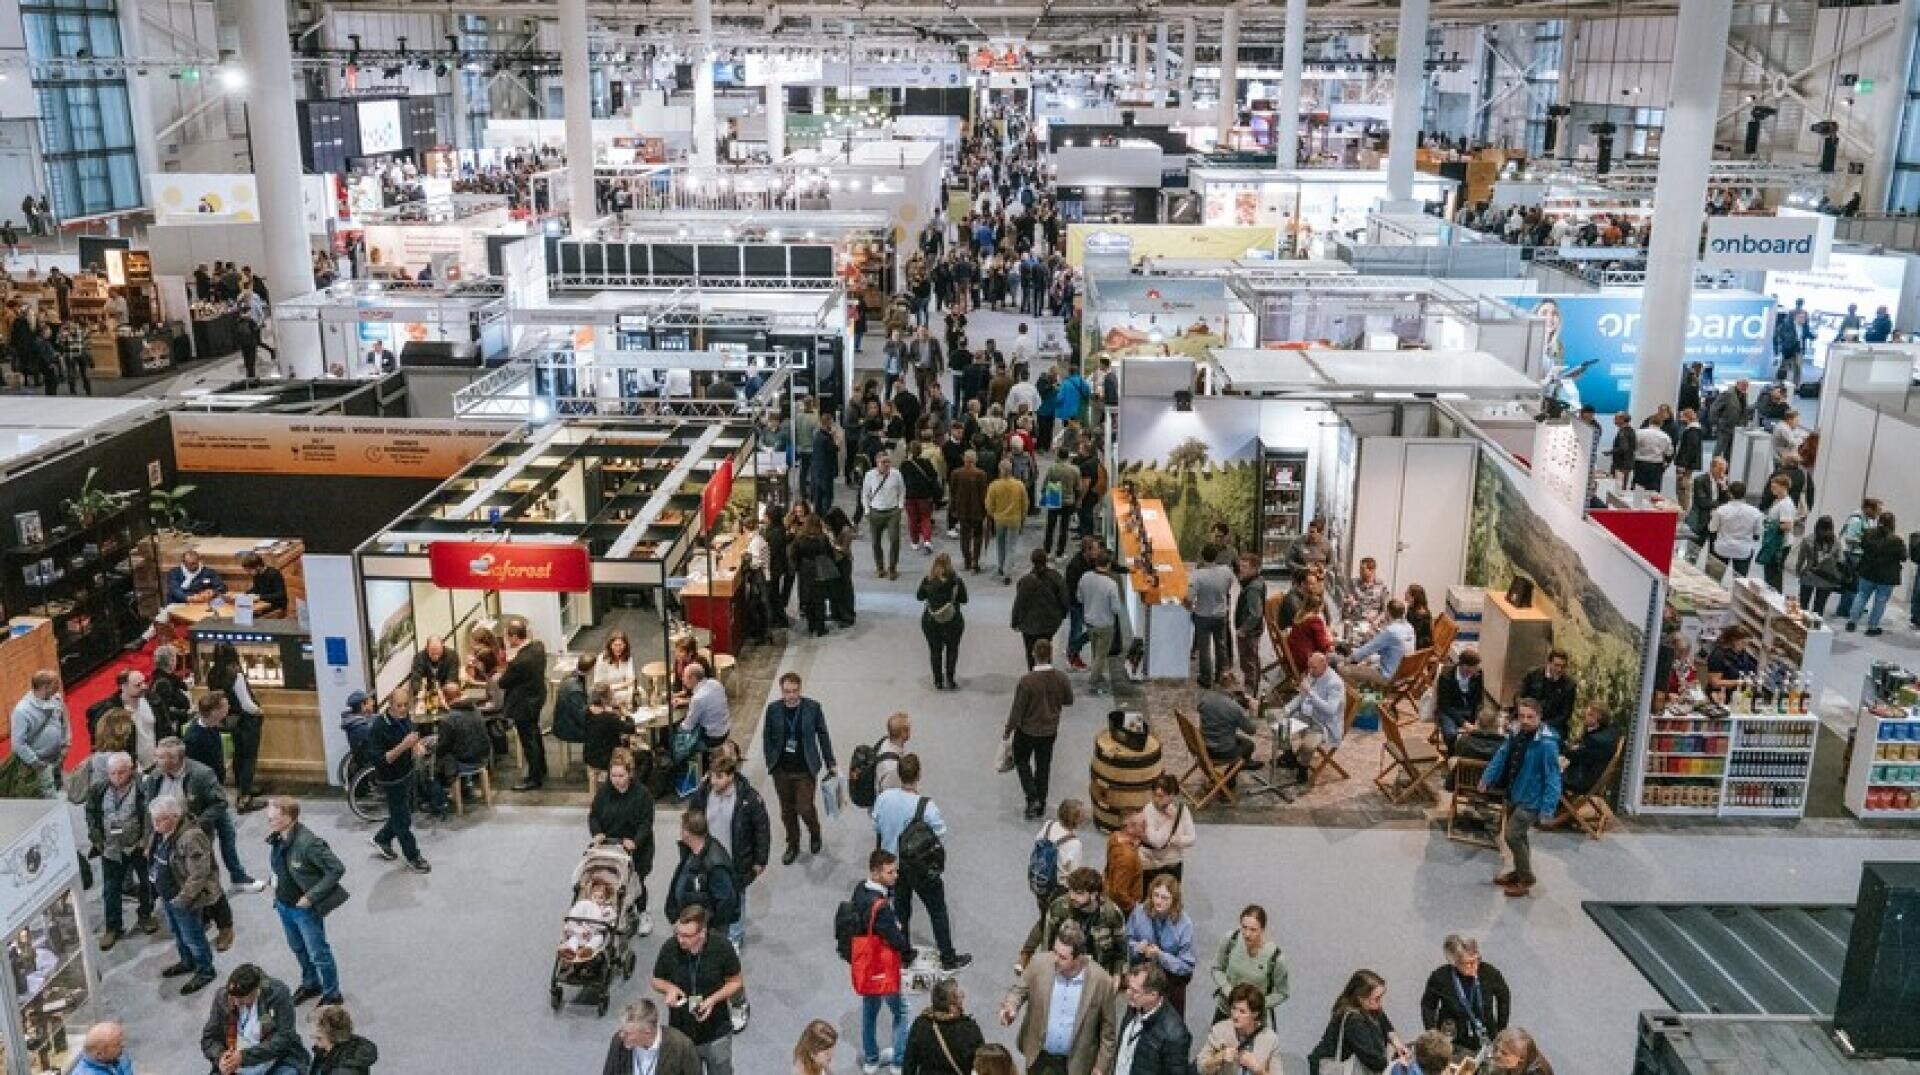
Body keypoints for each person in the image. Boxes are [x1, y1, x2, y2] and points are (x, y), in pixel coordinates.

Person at [873, 754, 971, 969]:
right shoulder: (927, 807)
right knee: (937, 910)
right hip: (920, 868)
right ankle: (948, 957)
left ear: (899, 774)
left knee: (901, 910)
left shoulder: (884, 798)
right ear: (919, 775)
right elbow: (940, 834)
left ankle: (904, 953)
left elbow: (877, 826)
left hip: (894, 867)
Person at [146, 735, 262, 903]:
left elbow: (220, 802)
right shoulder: (155, 777)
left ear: (178, 757)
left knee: (201, 872)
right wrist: (149, 837)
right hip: (165, 831)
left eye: (165, 757)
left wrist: (197, 824)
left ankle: (213, 906)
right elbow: (149, 807)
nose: (159, 762)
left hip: (193, 831)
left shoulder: (202, 774)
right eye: (158, 756)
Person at [1000, 920, 1120, 1075]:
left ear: (1078, 958)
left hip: (1075, 1064)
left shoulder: (1102, 982)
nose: (1055, 959)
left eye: (1062, 957)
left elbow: (1108, 1033)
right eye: (1054, 952)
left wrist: (1100, 1068)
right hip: (1039, 1056)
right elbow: (1019, 991)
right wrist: (1011, 1007)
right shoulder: (1039, 963)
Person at [265, 797, 347, 1005]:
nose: (269, 822)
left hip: (304, 910)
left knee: (318, 953)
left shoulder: (308, 843)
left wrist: (311, 897)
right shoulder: (277, 838)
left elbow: (336, 868)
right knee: (298, 948)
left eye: (273, 818)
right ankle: (311, 984)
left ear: (288, 817)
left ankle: (332, 994)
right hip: (284, 905)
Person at [687, 752, 770, 953]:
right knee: (705, 894)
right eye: (712, 775)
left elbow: (762, 829)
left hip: (736, 860)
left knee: (735, 899)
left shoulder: (748, 799)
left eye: (719, 777)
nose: (714, 781)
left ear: (731, 776)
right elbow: (692, 818)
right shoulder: (704, 792)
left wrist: (760, 861)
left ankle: (735, 936)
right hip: (707, 858)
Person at [1480, 699, 1563, 899]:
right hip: (1514, 792)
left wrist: (1548, 809)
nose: (1525, 720)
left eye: (1530, 717)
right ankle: (1518, 872)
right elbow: (1501, 755)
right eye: (1522, 716)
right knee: (1520, 836)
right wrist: (1487, 777)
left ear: (1539, 717)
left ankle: (1526, 878)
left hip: (1532, 799)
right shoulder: (1517, 732)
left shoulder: (1547, 744)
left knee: (1512, 835)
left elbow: (1553, 777)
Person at [651, 905, 745, 1075]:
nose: (680, 939)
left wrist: (713, 1000)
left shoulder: (722, 947)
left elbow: (736, 982)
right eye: (677, 933)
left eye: (686, 936)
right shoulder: (670, 948)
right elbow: (656, 980)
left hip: (717, 1031)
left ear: (702, 933)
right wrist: (669, 988)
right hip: (682, 1031)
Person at [762, 672, 837, 864]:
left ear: (800, 689)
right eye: (787, 691)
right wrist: (771, 762)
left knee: (804, 807)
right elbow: (767, 737)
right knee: (787, 811)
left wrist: (831, 762)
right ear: (782, 691)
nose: (791, 696)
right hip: (782, 771)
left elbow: (823, 735)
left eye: (795, 691)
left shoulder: (813, 708)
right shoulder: (773, 710)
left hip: (805, 769)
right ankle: (793, 844)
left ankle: (815, 832)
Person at [150, 793, 220, 994]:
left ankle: (205, 970)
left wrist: (183, 899)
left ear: (174, 817)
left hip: (185, 899)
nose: (155, 824)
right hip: (168, 895)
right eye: (153, 820)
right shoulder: (162, 832)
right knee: (179, 934)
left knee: (193, 937)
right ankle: (187, 961)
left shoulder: (191, 837)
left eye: (159, 820)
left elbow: (199, 874)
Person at [87, 753, 155, 949]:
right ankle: (113, 927)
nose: (117, 777)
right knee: (110, 890)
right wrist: (97, 839)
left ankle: (145, 915)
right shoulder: (98, 790)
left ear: (131, 769)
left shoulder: (143, 787)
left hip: (137, 846)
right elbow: (91, 814)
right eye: (113, 773)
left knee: (146, 884)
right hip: (111, 848)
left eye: (121, 772)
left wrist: (146, 841)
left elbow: (149, 816)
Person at [1006, 638, 1074, 819]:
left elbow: (1017, 710)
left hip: (1027, 731)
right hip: (1049, 731)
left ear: (1033, 654)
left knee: (1021, 761)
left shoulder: (1026, 681)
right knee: (1043, 767)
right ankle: (1041, 805)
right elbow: (1069, 700)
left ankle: (1032, 797)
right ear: (1051, 655)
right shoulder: (1061, 678)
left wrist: (1007, 731)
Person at [366, 687, 432, 874]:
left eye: (406, 705)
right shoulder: (379, 728)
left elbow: (411, 735)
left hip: (406, 773)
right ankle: (413, 856)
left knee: (404, 812)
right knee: (403, 821)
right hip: (391, 779)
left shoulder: (404, 718)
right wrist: (404, 746)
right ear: (389, 705)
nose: (403, 709)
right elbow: (381, 760)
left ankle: (382, 838)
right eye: (399, 706)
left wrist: (417, 745)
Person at [200, 964, 310, 1074]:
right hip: (235, 1061)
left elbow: (285, 1037)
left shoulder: (277, 994)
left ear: (257, 991)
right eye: (232, 997)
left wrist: (243, 1057)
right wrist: (220, 1056)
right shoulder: (222, 997)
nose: (236, 1003)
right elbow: (209, 1038)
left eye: (242, 999)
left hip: (274, 1059)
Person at [1419, 935, 1511, 1057]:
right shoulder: (1439, 978)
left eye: (1477, 959)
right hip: (1453, 1035)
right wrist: (1432, 1034)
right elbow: (1428, 1005)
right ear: (1454, 962)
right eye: (1468, 963)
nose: (1475, 966)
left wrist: (1501, 1030)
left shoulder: (1489, 973)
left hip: (1485, 1032)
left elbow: (1504, 996)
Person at [663, 808, 740, 947]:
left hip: (704, 932)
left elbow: (725, 903)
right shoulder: (691, 850)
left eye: (682, 828)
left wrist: (704, 928)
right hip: (689, 921)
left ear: (687, 833)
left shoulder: (715, 865)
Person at [1308, 970, 1409, 1074]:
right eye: (1377, 998)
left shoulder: (1370, 1007)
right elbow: (1374, 1060)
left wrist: (1398, 1045)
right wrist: (1396, 1064)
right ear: (1360, 998)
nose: (1380, 1002)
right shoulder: (1353, 1021)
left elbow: (1386, 1026)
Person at [1124, 875, 1197, 1016]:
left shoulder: (1184, 924)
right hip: (1143, 977)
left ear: (1174, 900)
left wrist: (1161, 956)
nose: (1158, 901)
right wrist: (1138, 948)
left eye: (1164, 898)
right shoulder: (1139, 912)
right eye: (1156, 895)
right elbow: (1127, 940)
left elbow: (1186, 966)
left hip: (1170, 981)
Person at [207, 642, 265, 811]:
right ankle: (244, 798)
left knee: (238, 754)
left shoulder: (212, 674)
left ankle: (242, 786)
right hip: (246, 721)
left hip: (230, 720)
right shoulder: (235, 674)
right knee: (249, 758)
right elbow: (246, 703)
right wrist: (259, 711)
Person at [497, 618, 549, 790]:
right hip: (537, 698)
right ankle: (541, 768)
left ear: (513, 637)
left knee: (528, 740)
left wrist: (509, 662)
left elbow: (503, 683)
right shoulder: (538, 647)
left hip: (523, 705)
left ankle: (534, 778)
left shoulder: (519, 662)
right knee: (535, 733)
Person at [1114, 963, 1192, 1074]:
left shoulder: (1175, 1034)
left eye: (1135, 991)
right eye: (1128, 987)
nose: (1127, 993)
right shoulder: (1134, 1006)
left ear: (1153, 995)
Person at [901, 976, 986, 1075]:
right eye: (959, 995)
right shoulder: (969, 1029)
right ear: (952, 1007)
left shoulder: (920, 1024)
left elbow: (909, 1062)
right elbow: (982, 1062)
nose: (963, 995)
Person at [1198, 983, 1284, 1075]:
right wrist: (1220, 1057)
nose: (1235, 1015)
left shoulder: (1270, 1039)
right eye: (1234, 1008)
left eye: (1242, 1012)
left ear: (1255, 1014)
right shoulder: (1220, 1030)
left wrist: (1258, 1069)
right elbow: (1201, 1068)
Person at [9, 670, 68, 799]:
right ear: (44, 687)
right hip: (40, 764)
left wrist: (66, 744)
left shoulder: (56, 699)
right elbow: (18, 743)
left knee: (58, 785)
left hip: (57, 757)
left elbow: (64, 722)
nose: (58, 686)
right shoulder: (22, 711)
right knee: (49, 797)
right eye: (55, 684)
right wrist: (35, 762)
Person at [916, 553, 970, 691]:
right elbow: (964, 600)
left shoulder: (927, 580)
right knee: (952, 650)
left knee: (935, 650)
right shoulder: (956, 582)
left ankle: (938, 681)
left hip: (931, 621)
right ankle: (950, 679)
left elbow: (919, 597)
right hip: (953, 622)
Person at [1847, 511, 1906, 635]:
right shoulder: (1897, 540)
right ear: (1892, 524)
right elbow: (1903, 557)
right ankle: (1872, 627)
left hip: (1867, 571)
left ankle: (1852, 622)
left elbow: (1862, 546)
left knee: (1861, 595)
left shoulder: (1869, 533)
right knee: (1880, 601)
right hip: (1886, 576)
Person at [1012, 549, 1071, 670]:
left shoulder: (1025, 581)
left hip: (1029, 625)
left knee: (1030, 652)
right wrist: (1062, 615)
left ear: (1032, 561)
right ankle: (1046, 674)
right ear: (1046, 560)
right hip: (1049, 624)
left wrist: (1015, 622)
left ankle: (1033, 676)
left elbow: (1019, 603)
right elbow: (1064, 599)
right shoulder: (1056, 577)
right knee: (1045, 649)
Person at [1186, 545, 1235, 689]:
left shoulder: (1197, 575)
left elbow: (1189, 598)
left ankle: (1205, 678)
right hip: (1221, 614)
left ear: (1202, 557)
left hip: (1203, 615)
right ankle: (1221, 675)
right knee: (1221, 646)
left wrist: (1190, 606)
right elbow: (1229, 585)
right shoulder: (1226, 571)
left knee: (1204, 648)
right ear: (1217, 556)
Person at [1341, 599, 1416, 691]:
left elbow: (1367, 649)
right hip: (1403, 674)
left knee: (1344, 670)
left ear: (1388, 613)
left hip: (1388, 676)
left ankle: (1359, 699)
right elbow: (1394, 645)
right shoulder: (1409, 627)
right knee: (1368, 660)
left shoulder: (1391, 631)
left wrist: (1347, 660)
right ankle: (1368, 689)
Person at [1080, 549, 1124, 696]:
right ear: (1109, 565)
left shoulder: (1085, 577)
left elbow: (1079, 598)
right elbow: (1116, 608)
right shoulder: (1111, 584)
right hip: (1105, 625)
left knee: (1095, 652)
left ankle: (1097, 676)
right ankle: (1093, 682)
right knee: (1101, 655)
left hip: (1089, 622)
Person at [1197, 673, 1260, 772]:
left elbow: (1214, 710)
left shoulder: (1206, 698)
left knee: (1241, 739)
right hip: (1221, 751)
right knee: (1249, 745)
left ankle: (1244, 764)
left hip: (1203, 745)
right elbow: (1251, 730)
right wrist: (1252, 711)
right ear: (1233, 686)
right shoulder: (1234, 708)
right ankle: (1230, 778)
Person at [1558, 704, 1622, 798]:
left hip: (1582, 780)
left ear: (1597, 719)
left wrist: (1568, 750)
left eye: (1589, 714)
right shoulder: (1607, 732)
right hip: (1589, 774)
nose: (1585, 716)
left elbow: (1576, 757)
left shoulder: (1595, 740)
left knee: (1546, 771)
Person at [863, 450, 907, 580]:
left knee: (894, 540)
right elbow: (865, 494)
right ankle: (880, 567)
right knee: (875, 542)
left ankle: (892, 568)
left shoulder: (896, 474)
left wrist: (900, 507)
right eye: (883, 462)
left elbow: (902, 490)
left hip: (892, 511)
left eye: (888, 461)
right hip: (875, 511)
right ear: (877, 462)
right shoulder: (869, 475)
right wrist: (867, 510)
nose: (886, 464)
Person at [985, 457, 1030, 583]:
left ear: (1000, 470)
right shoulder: (1019, 485)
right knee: (1012, 546)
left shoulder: (994, 485)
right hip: (1015, 519)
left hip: (999, 519)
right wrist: (1023, 517)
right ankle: (1008, 573)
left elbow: (988, 504)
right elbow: (1025, 504)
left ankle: (1000, 566)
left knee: (1000, 544)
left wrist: (993, 514)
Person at [1516, 650, 1577, 741]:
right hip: (1528, 718)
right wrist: (1525, 715)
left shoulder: (1569, 685)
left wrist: (1541, 724)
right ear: (1549, 663)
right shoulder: (1533, 675)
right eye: (1557, 665)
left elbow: (1565, 714)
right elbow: (1519, 696)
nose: (1559, 669)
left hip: (1551, 725)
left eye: (1563, 666)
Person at [1794, 515, 1847, 615]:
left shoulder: (1808, 540)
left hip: (1809, 574)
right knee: (1819, 607)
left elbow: (1801, 559)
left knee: (1802, 605)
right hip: (1827, 577)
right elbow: (1841, 560)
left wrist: (1798, 571)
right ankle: (1814, 628)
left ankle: (1800, 627)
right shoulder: (1836, 542)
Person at [1434, 649, 1486, 749]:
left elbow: (1479, 699)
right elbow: (1445, 706)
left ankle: (1471, 753)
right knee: (1450, 734)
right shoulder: (1446, 676)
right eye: (1474, 668)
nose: (1476, 670)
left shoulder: (1478, 673)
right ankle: (1452, 755)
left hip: (1468, 708)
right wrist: (1463, 723)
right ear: (1464, 666)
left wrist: (1478, 716)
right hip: (1450, 710)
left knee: (1486, 728)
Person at [308, 1003, 379, 1074]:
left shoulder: (343, 1071)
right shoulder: (333, 1048)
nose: (314, 1042)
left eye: (318, 1038)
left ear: (333, 1037)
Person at [1231, 555, 1268, 691]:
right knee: (1252, 660)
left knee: (1248, 663)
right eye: (1240, 566)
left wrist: (1243, 630)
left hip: (1249, 632)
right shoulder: (1255, 581)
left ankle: (1250, 692)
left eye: (1245, 567)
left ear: (1255, 569)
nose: (1241, 570)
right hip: (1252, 630)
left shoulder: (1253, 588)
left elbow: (1255, 614)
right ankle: (1252, 689)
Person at [948, 449, 989, 572]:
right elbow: (983, 495)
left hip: (962, 510)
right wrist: (986, 510)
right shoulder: (981, 474)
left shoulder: (956, 473)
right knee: (977, 536)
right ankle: (975, 561)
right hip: (978, 511)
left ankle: (967, 560)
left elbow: (952, 493)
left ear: (964, 459)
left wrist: (953, 508)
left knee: (964, 536)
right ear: (975, 459)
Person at [1105, 810, 1146, 914]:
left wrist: (1133, 844)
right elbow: (1119, 892)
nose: (1146, 828)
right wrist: (1135, 908)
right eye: (1143, 825)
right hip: (1125, 909)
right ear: (1130, 828)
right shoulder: (1126, 857)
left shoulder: (1115, 836)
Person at [1687, 456, 1731, 542]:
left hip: (1717, 519)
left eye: (1724, 470)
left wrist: (1724, 488)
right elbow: (1702, 502)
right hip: (1702, 518)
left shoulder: (1723, 481)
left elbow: (1728, 501)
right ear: (1712, 468)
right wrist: (1721, 504)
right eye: (1720, 469)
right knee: (1698, 544)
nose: (1722, 473)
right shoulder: (1700, 480)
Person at [593, 631, 638, 708]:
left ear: (625, 645)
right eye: (615, 645)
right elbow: (599, 686)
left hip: (624, 691)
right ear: (610, 645)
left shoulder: (627, 657)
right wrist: (623, 685)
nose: (618, 648)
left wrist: (630, 692)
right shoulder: (602, 660)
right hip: (607, 695)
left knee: (640, 693)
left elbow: (631, 679)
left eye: (621, 645)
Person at [240, 552, 288, 617]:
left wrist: (259, 597)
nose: (248, 573)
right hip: (264, 603)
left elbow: (280, 595)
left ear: (258, 566)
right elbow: (256, 588)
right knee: (243, 611)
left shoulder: (274, 574)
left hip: (276, 606)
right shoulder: (256, 575)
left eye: (249, 570)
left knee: (250, 616)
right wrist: (246, 594)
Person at [1491, 1027, 1556, 1075]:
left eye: (1504, 1053)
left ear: (1521, 1058)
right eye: (1497, 1048)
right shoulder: (1518, 1059)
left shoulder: (1536, 1072)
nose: (1497, 1054)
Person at [1344, 557, 1389, 626]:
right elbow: (1347, 604)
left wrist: (1376, 621)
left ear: (1372, 570)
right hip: (1355, 622)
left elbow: (1385, 610)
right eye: (1360, 569)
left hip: (1372, 624)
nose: (1360, 571)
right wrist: (1348, 603)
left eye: (1362, 569)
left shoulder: (1381, 586)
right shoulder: (1353, 584)